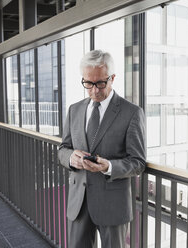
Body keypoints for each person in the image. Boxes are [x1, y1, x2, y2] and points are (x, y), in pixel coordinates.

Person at [58, 50, 146, 248]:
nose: (94, 90)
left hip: (113, 205)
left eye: (100, 83)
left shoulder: (131, 113)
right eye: (88, 83)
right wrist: (72, 157)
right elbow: (63, 148)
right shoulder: (74, 109)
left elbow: (138, 163)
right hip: (78, 203)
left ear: (112, 78)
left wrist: (108, 167)